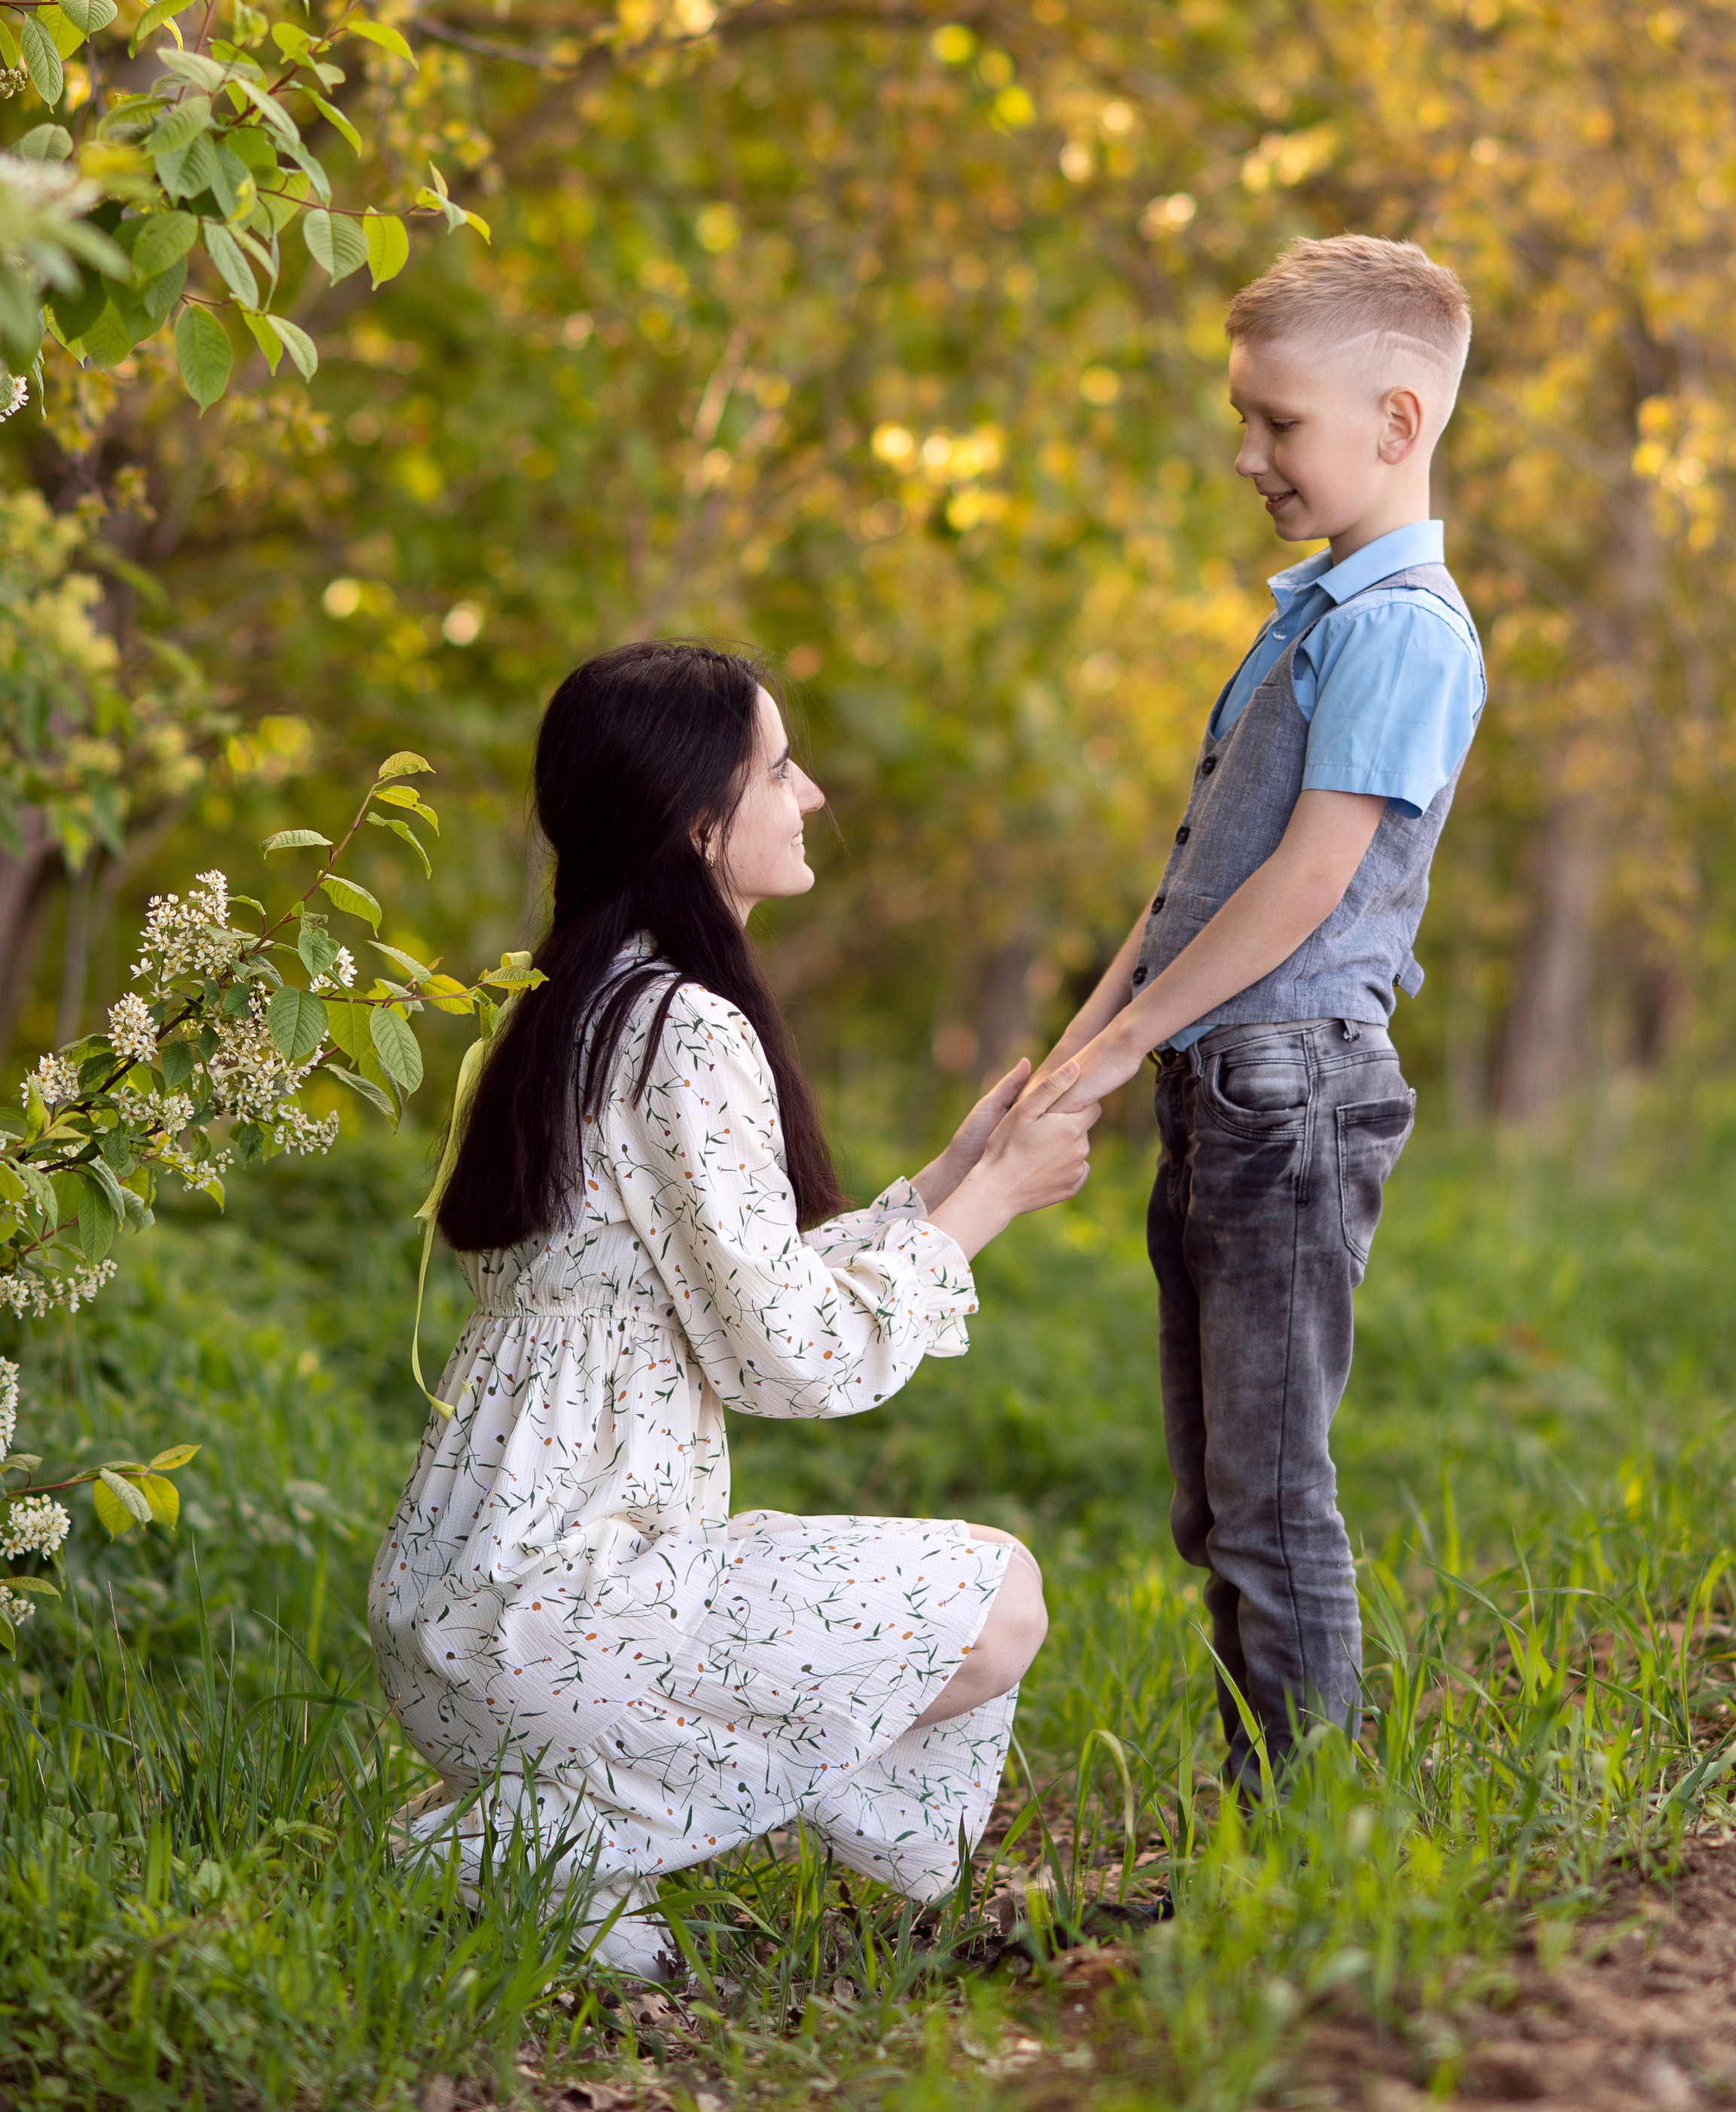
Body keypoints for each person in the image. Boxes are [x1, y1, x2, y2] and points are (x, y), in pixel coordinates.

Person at [369, 642, 1097, 1976]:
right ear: (701, 816)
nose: (809, 792)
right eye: (778, 766)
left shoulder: (575, 1007)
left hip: (461, 1608)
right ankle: (490, 1847)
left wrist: (956, 1168)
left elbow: (736, 1271)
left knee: (884, 1636)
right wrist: (994, 1207)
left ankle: (550, 1849)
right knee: (997, 1597)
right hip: (566, 1608)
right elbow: (791, 1354)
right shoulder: (688, 1026)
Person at [1040, 233, 1485, 1788]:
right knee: (1218, 1496)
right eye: (1243, 421)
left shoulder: (1399, 629)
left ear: (1397, 418)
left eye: (1276, 425)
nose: (1247, 457)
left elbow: (1301, 887)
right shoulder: (1310, 618)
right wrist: (1084, 1050)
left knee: (1271, 1491)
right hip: (1229, 1082)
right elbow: (1191, 887)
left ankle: (1295, 1832)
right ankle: (1262, 1815)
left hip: (1292, 1089)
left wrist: (1117, 1046)